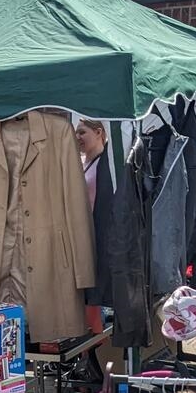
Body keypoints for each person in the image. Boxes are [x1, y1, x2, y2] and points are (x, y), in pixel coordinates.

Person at [76, 118, 108, 334]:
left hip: (97, 236)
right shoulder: (81, 162)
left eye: (82, 132)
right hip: (81, 235)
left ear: (98, 133)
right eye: (76, 133)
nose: (77, 137)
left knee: (92, 300)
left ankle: (97, 350)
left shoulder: (105, 164)